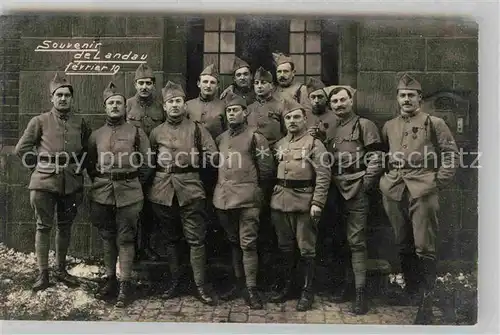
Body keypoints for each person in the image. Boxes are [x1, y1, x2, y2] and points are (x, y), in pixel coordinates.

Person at [380, 73, 459, 324]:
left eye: (411, 95)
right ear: (397, 98)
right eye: (402, 95)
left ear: (419, 98)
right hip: (394, 190)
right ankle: (412, 292)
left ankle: (426, 300)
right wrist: (385, 179)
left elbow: (451, 154)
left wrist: (438, 182)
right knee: (402, 241)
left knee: (424, 245)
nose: (406, 99)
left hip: (423, 190)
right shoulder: (389, 126)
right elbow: (384, 155)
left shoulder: (433, 123)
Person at [14, 72, 90, 291]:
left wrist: (79, 167)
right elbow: (22, 148)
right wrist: (35, 166)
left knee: (65, 227)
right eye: (59, 95)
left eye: (67, 95)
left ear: (72, 98)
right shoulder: (39, 121)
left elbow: (87, 148)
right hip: (44, 181)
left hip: (71, 182)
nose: (63, 99)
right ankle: (43, 273)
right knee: (43, 226)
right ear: (52, 98)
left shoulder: (80, 122)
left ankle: (61, 270)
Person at [148, 81, 218, 305]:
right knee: (170, 239)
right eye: (171, 102)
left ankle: (200, 285)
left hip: (191, 190)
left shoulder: (198, 129)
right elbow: (147, 161)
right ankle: (175, 282)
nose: (175, 105)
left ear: (184, 105)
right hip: (162, 191)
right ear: (165, 106)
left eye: (178, 101)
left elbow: (213, 156)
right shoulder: (156, 132)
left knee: (195, 239)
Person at [87, 81, 152, 307]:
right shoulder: (96, 135)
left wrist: (131, 180)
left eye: (119, 103)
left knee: (125, 238)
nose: (115, 106)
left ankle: (125, 285)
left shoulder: (136, 132)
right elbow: (91, 164)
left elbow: (147, 163)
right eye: (111, 103)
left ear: (125, 107)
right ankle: (111, 280)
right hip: (103, 193)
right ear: (105, 107)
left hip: (130, 193)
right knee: (107, 236)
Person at [324, 85, 384, 314]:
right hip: (336, 188)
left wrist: (365, 185)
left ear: (351, 101)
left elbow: (376, 158)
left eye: (342, 100)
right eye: (335, 102)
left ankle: (361, 293)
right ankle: (346, 287)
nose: (339, 105)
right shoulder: (331, 129)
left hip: (357, 186)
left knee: (356, 240)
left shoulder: (364, 125)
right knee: (339, 239)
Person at [214, 93, 275, 309]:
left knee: (247, 244)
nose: (232, 114)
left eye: (236, 110)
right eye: (229, 111)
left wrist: (258, 194)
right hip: (223, 200)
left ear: (245, 112)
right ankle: (239, 284)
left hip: (249, 199)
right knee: (233, 242)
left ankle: (251, 289)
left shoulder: (255, 137)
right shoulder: (221, 139)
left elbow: (267, 170)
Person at [269, 99, 331, 311]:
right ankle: (289, 287)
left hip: (305, 201)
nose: (292, 121)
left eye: (296, 117)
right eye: (288, 118)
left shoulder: (314, 144)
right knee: (285, 247)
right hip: (280, 201)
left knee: (306, 249)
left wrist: (317, 202)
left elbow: (323, 175)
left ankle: (307, 291)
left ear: (305, 119)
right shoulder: (280, 144)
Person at [126, 62, 165, 262]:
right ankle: (131, 248)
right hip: (133, 164)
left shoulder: (161, 106)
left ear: (153, 85)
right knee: (131, 209)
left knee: (150, 209)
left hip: (156, 164)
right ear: (135, 85)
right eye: (141, 83)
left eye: (148, 83)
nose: (144, 87)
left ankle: (147, 245)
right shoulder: (127, 105)